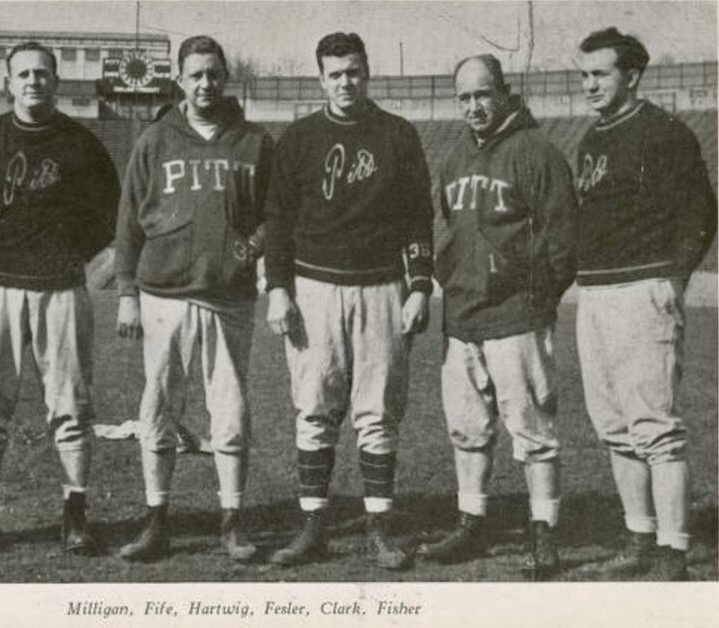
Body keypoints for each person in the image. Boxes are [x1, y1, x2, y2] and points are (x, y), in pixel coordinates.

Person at [264, 32, 433, 570]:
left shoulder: (397, 135)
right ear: (320, 79)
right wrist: (277, 290)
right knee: (314, 409)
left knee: (377, 412)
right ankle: (313, 526)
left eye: (353, 71)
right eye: (334, 74)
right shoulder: (299, 138)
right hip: (314, 288)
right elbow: (277, 223)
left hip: (382, 286)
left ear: (368, 72)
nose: (345, 82)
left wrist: (420, 286)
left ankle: (380, 529)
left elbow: (418, 217)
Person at [0, 41, 120, 554]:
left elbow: (105, 217)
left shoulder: (82, 145)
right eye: (23, 74)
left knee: (71, 403)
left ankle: (75, 515)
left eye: (42, 74)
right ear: (7, 82)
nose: (33, 82)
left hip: (61, 289)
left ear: (56, 82)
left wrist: (69, 259)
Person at [415, 55, 577, 581]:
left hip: (516, 316)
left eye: (483, 95)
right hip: (462, 315)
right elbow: (451, 229)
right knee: (467, 429)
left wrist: (535, 299)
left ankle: (544, 532)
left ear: (505, 93)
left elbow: (562, 241)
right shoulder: (456, 155)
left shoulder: (537, 152)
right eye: (463, 98)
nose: (474, 107)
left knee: (532, 430)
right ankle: (472, 522)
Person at [114, 35, 272, 562]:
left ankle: (233, 520)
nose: (205, 84)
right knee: (158, 407)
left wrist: (246, 251)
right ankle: (156, 519)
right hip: (163, 296)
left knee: (229, 411)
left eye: (214, 74)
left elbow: (273, 215)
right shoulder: (156, 140)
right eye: (195, 74)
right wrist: (126, 293)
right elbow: (128, 222)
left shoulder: (252, 142)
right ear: (179, 80)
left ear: (226, 78)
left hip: (228, 297)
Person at [574, 28, 717, 581]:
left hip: (642, 292)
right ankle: (638, 539)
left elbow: (702, 211)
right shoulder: (591, 139)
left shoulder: (664, 134)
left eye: (600, 74)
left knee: (655, 427)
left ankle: (673, 554)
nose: (589, 85)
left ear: (631, 75)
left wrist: (673, 278)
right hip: (596, 293)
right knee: (613, 425)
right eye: (584, 75)